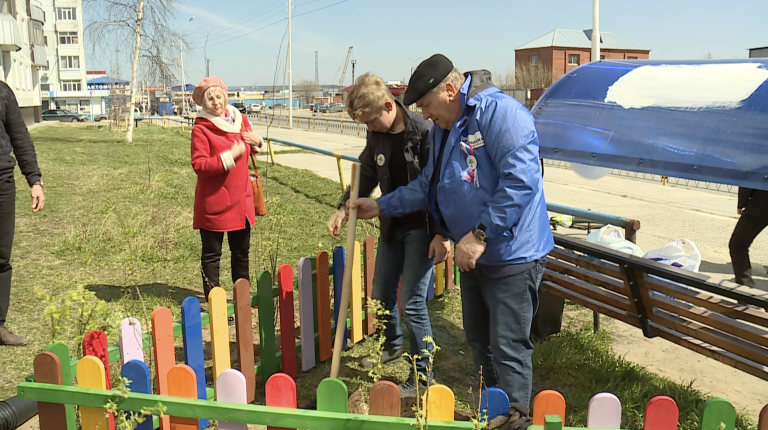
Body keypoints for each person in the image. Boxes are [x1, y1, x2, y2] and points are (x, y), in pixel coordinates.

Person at [352, 54, 554, 406]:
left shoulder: (501, 114)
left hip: (511, 253)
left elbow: (521, 182)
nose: (425, 115)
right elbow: (430, 185)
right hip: (474, 253)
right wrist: (382, 205)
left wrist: (480, 234)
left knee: (508, 346)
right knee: (479, 341)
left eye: (427, 105)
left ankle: (515, 418)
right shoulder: (447, 127)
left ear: (449, 89)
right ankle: (493, 410)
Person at [328, 73, 450, 396]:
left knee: (411, 302)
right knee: (381, 294)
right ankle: (392, 344)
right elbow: (367, 172)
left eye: (371, 121)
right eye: (365, 125)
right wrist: (344, 207)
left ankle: (423, 375)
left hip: (422, 227)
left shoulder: (423, 132)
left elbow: (437, 186)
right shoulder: (377, 136)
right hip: (391, 226)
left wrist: (442, 234)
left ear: (387, 105)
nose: (370, 128)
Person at [191, 76, 263, 299]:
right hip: (215, 200)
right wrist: (229, 156)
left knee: (241, 252)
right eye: (210, 98)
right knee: (212, 255)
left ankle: (242, 298)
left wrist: (258, 141)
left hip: (242, 200)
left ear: (225, 96)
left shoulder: (240, 119)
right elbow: (199, 165)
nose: (216, 102)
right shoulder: (201, 128)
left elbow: (250, 148)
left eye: (219, 96)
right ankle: (215, 301)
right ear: (203, 103)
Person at [0, 81, 45, 346]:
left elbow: (20, 138)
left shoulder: (3, 92)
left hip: (2, 183)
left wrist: (35, 181)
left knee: (1, 257)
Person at [729, 187, 768, 287]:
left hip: (761, 203)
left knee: (738, 245)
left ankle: (745, 287)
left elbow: (749, 180)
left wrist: (742, 203)